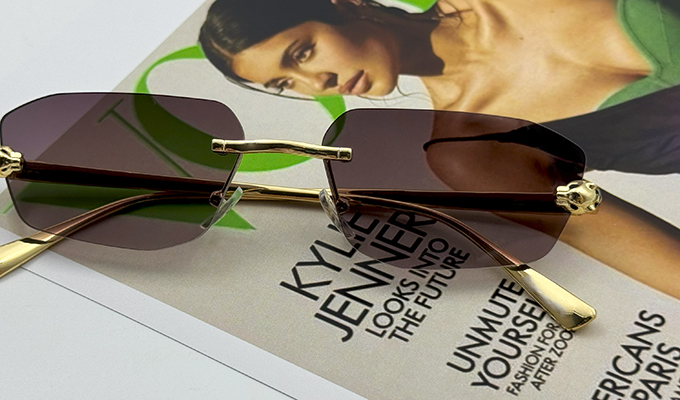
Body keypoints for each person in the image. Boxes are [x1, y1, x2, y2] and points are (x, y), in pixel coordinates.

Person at [198, 0, 680, 299]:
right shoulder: (470, 148)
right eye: (286, 84)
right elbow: (662, 263)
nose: (315, 82)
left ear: (341, 5)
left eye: (303, 52)